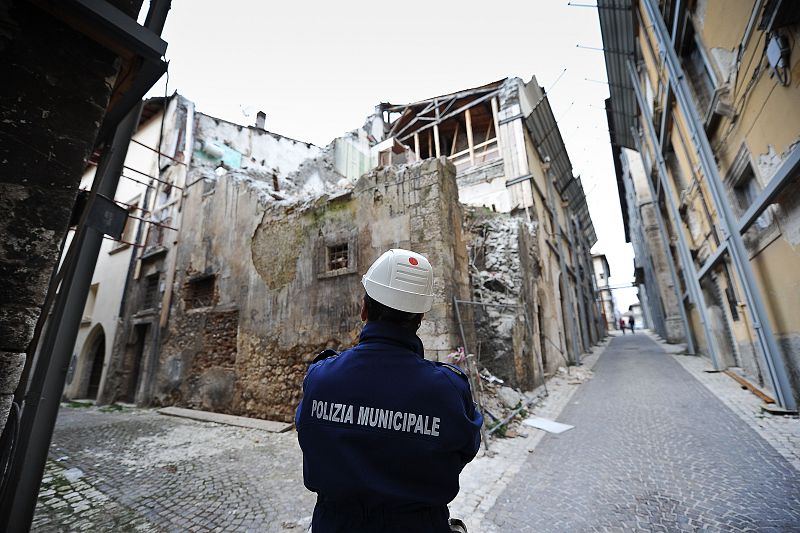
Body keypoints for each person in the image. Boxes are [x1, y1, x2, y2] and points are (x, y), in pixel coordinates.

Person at [295, 249, 483, 533]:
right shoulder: (449, 389)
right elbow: (465, 448)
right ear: (420, 317)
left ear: (364, 310)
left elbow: (306, 431)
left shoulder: (321, 378)